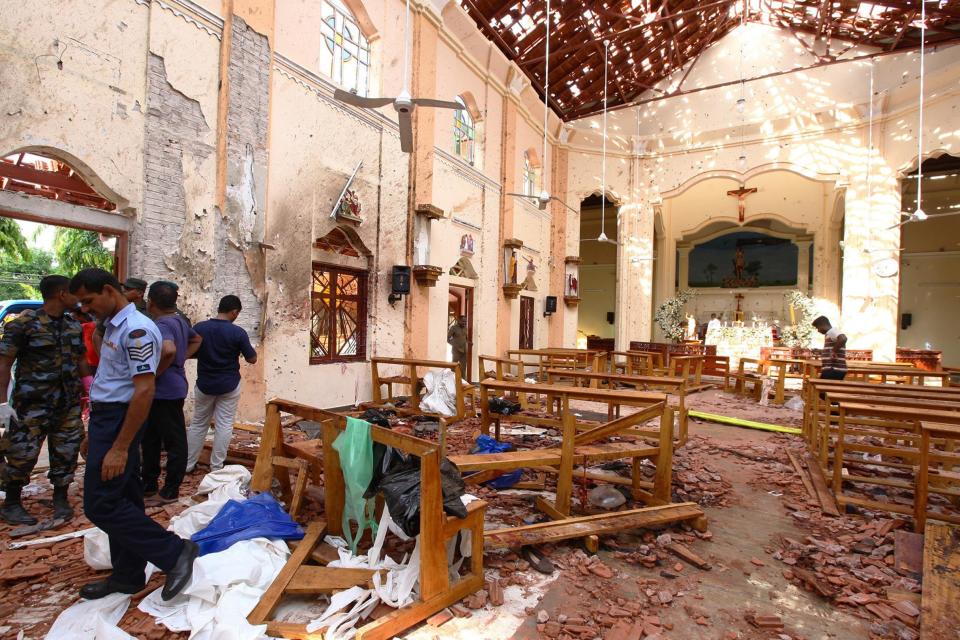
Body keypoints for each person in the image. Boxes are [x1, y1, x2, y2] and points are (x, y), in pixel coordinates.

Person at [69, 268, 196, 601]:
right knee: (124, 499)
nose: (85, 308)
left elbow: (143, 390)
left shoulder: (137, 330)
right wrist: (94, 433)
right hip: (106, 419)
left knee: (101, 504)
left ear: (110, 291)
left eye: (89, 300)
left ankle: (174, 552)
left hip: (119, 421)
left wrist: (120, 447)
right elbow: (115, 378)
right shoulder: (115, 326)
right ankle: (127, 575)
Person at [0, 276, 93, 524]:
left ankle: (60, 499)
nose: (79, 299)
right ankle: (11, 502)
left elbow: (81, 361)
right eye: (74, 293)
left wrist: (90, 391)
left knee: (67, 450)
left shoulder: (73, 326)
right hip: (31, 404)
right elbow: (4, 363)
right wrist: (2, 404)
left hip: (68, 403)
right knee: (22, 454)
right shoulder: (23, 325)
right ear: (62, 293)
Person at [141, 282, 201, 504]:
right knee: (152, 438)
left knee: (171, 440)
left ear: (151, 302)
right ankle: (148, 484)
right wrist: (181, 359)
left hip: (164, 389)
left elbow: (168, 350)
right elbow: (197, 340)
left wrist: (154, 373)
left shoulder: (163, 323)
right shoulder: (179, 321)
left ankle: (169, 491)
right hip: (171, 386)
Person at [185, 295, 257, 474]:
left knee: (198, 424)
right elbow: (252, 358)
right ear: (234, 311)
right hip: (229, 384)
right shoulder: (237, 332)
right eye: (237, 313)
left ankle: (187, 464)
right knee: (224, 425)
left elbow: (190, 352)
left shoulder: (200, 328)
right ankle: (216, 466)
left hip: (205, 384)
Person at [812, 316, 847, 380]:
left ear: (822, 325)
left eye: (817, 328)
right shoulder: (829, 334)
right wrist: (821, 352)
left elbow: (843, 339)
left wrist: (833, 351)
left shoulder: (832, 331)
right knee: (823, 388)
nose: (818, 331)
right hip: (832, 369)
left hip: (833, 369)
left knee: (821, 387)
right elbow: (831, 349)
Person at [447, 315, 468, 380]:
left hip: (464, 351)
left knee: (463, 368)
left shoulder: (465, 328)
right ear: (459, 321)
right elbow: (448, 338)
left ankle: (463, 382)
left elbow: (466, 338)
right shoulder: (453, 328)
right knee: (454, 367)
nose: (464, 323)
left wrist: (468, 343)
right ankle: (451, 381)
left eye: (465, 321)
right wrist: (454, 344)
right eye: (463, 321)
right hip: (456, 351)